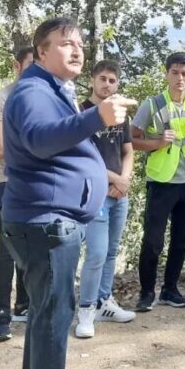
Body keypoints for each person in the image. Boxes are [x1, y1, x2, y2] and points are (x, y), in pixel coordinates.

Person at [1, 16, 136, 369]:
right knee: (56, 311)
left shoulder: (52, 90)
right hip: (45, 221)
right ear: (41, 52)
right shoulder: (32, 92)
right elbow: (41, 140)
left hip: (45, 220)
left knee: (44, 307)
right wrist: (97, 117)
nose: (76, 50)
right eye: (64, 43)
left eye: (79, 43)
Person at [131, 52, 185, 311]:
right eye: (175, 73)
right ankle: (146, 292)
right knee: (153, 240)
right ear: (166, 74)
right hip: (161, 180)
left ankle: (170, 289)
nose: (179, 78)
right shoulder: (151, 105)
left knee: (182, 238)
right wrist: (158, 142)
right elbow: (131, 139)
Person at [74, 60, 136, 339]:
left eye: (112, 80)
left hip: (118, 193)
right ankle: (85, 309)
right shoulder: (81, 113)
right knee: (96, 253)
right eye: (102, 79)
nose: (107, 84)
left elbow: (129, 151)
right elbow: (82, 158)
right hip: (94, 192)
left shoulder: (120, 114)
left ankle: (104, 302)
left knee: (111, 251)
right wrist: (115, 179)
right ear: (92, 80)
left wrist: (124, 180)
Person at [0, 46, 35, 342]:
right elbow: (1, 150)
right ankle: (1, 316)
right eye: (29, 65)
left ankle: (24, 305)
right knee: (7, 247)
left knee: (30, 245)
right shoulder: (0, 99)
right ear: (17, 66)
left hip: (36, 183)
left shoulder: (42, 98)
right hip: (8, 182)